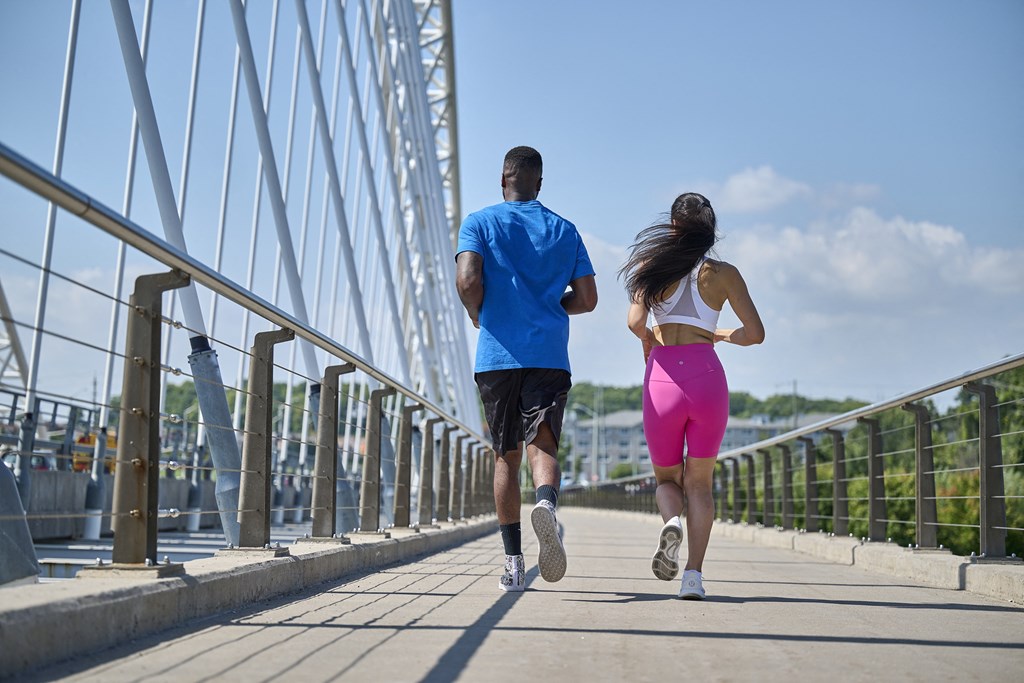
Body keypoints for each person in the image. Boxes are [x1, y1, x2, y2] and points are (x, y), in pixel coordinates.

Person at [455, 146, 598, 592]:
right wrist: (551, 305)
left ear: (503, 180)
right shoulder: (564, 229)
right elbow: (588, 299)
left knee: (506, 456)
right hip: (550, 354)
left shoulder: (479, 223)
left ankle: (514, 566)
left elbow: (468, 280)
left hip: (497, 355)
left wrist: (479, 313)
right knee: (543, 445)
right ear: (539, 183)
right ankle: (548, 507)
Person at [619, 192, 764, 600]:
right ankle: (693, 578)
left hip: (662, 377)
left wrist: (649, 339)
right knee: (699, 484)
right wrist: (715, 334)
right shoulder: (724, 273)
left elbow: (634, 321)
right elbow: (755, 334)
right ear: (711, 230)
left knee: (667, 478)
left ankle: (673, 523)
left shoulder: (651, 267)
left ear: (672, 227)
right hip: (707, 378)